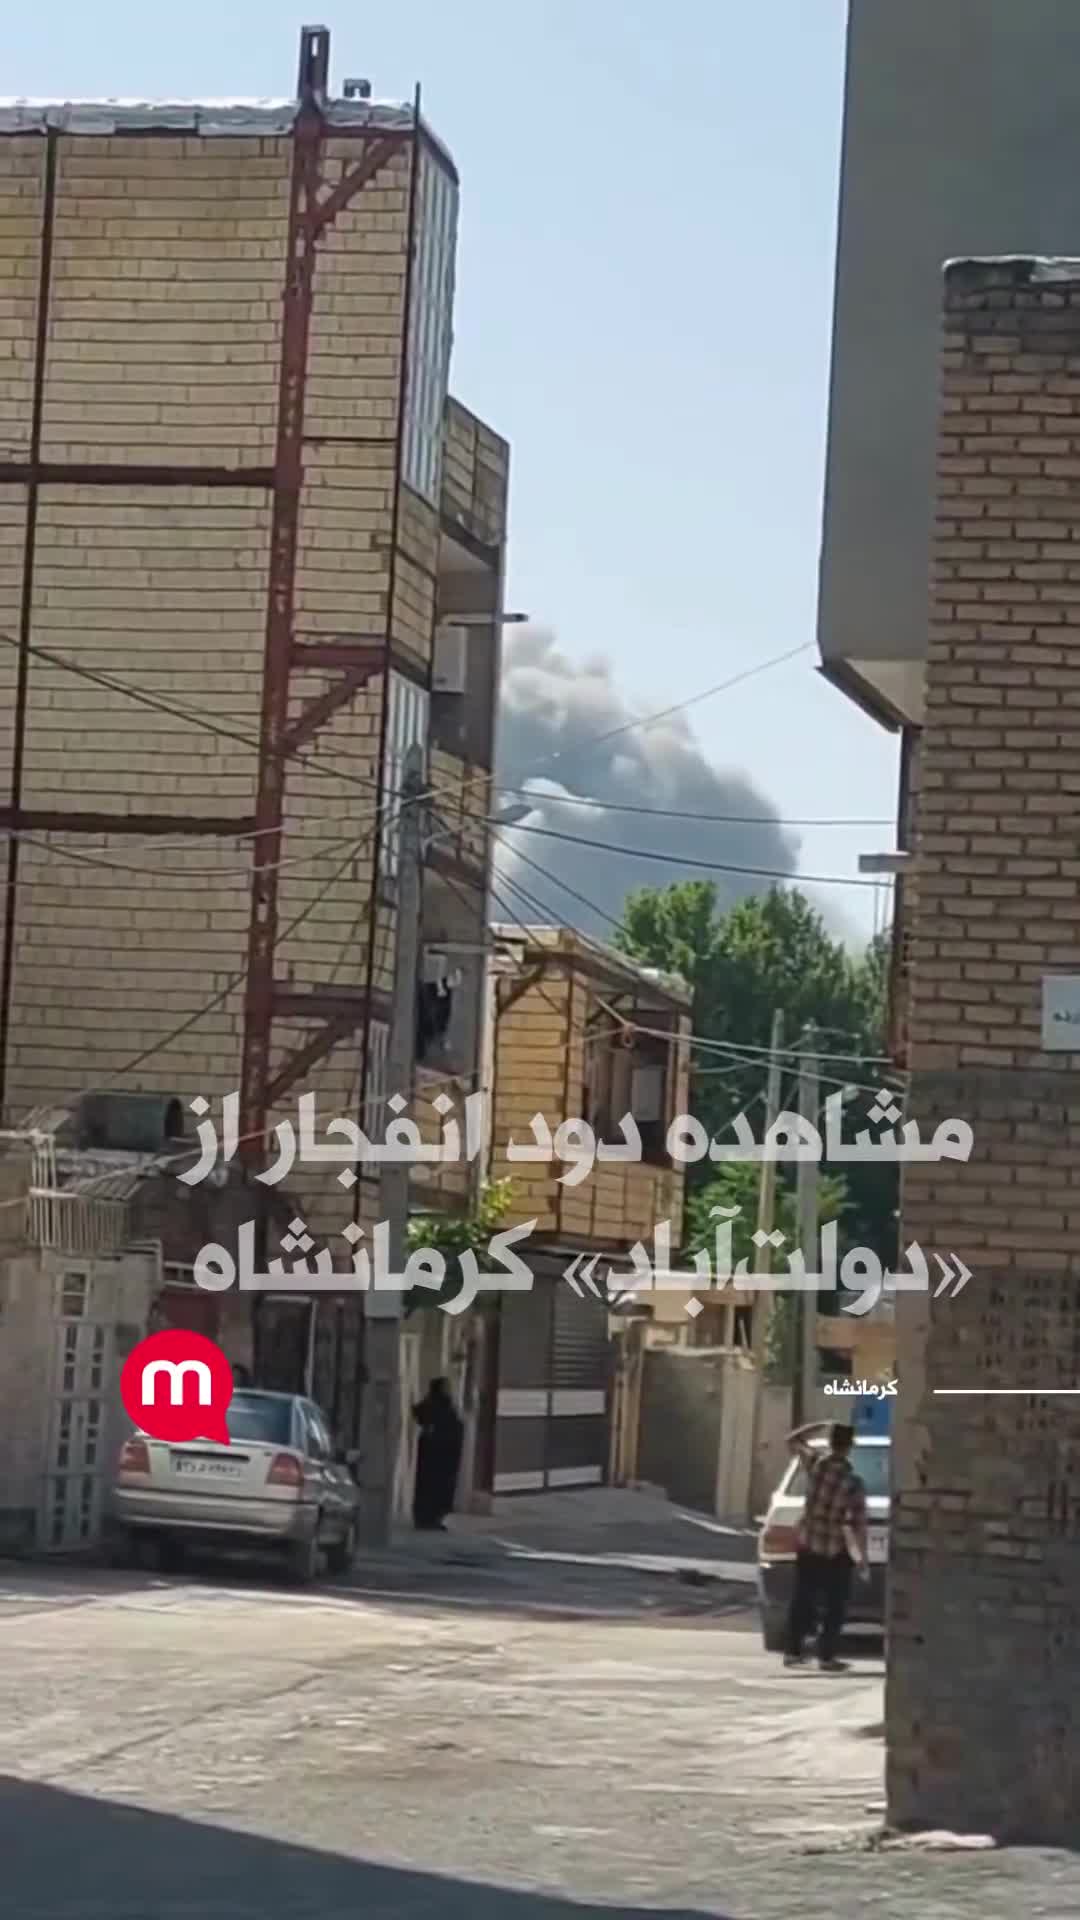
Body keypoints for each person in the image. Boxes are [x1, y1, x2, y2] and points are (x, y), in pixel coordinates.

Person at [783, 1420, 868, 1673]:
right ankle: (826, 1657)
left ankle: (793, 1652)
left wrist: (818, 1425)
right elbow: (859, 1524)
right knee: (836, 1604)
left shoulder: (816, 1466)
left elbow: (792, 1440)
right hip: (834, 1546)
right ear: (849, 1447)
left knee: (802, 1599)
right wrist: (861, 1558)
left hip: (809, 1540)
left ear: (831, 1443)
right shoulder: (854, 1482)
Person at [412, 1377, 464, 1531]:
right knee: (433, 1488)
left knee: (438, 1488)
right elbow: (420, 1415)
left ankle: (432, 1518)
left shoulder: (444, 1405)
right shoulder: (435, 1405)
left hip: (443, 1456)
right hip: (436, 1456)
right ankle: (427, 1518)